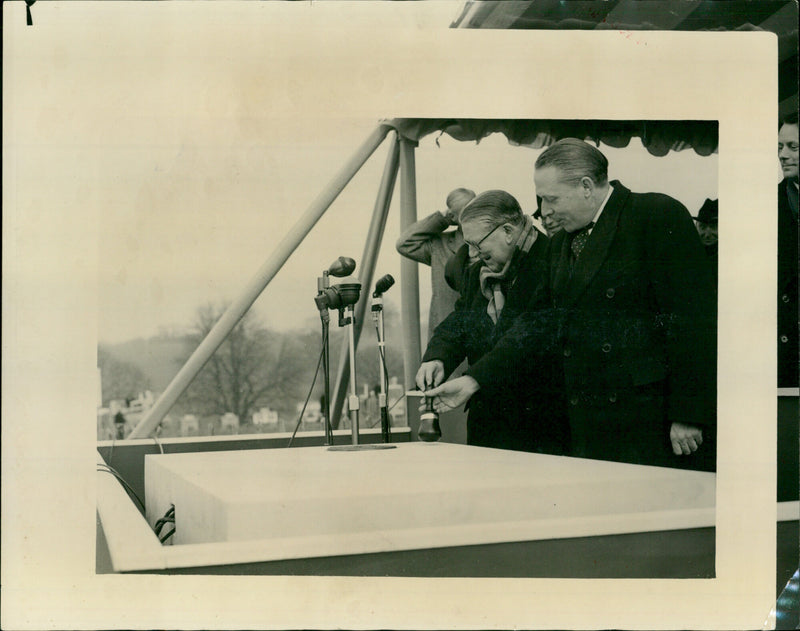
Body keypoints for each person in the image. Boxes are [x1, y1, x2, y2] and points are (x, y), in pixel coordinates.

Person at [426, 139, 717, 470]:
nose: (545, 210)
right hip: (588, 426)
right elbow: (534, 326)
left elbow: (694, 321)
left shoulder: (656, 215)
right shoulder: (560, 244)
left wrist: (689, 414)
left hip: (649, 422)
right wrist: (474, 379)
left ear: (587, 187)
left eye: (551, 199)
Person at [416, 190, 568, 453]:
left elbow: (529, 336)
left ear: (507, 231)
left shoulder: (555, 262)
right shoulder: (478, 272)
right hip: (488, 425)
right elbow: (461, 320)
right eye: (468, 244)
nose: (472, 253)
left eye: (477, 244)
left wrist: (475, 379)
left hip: (540, 426)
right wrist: (437, 357)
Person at [396, 188, 476, 339]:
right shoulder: (439, 245)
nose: (474, 215)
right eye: (466, 212)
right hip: (447, 334)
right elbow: (404, 244)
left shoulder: (491, 242)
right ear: (454, 217)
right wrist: (443, 219)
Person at [777, 113, 798, 388]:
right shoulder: (764, 204)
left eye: (793, 147)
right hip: (786, 352)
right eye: (780, 147)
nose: (783, 155)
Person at [693, 198, 718, 286]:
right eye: (702, 227)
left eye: (714, 227)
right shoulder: (690, 257)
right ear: (696, 227)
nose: (707, 234)